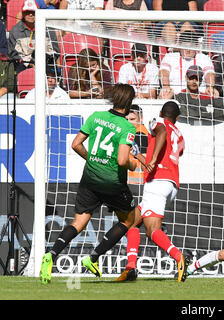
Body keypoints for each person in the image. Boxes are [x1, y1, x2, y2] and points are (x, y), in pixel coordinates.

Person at [39, 83, 138, 284]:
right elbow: (121, 160)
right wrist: (133, 162)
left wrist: (92, 159)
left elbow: (76, 144)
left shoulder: (95, 117)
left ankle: (51, 255)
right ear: (129, 102)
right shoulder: (128, 127)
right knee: (129, 220)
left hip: (90, 178)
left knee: (78, 222)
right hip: (112, 182)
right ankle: (92, 258)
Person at [115, 101, 188, 283]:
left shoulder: (158, 121)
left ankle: (179, 258)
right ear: (177, 118)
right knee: (131, 222)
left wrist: (153, 158)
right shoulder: (180, 136)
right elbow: (171, 154)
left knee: (152, 230)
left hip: (157, 182)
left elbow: (161, 132)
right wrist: (140, 156)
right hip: (171, 184)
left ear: (161, 112)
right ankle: (130, 267)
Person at [159, 30, 218, 97]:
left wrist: (210, 87)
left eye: (191, 47)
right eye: (185, 47)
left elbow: (209, 73)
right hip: (174, 96)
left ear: (196, 46)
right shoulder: (170, 56)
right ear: (180, 46)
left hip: (199, 97)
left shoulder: (203, 58)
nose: (188, 50)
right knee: (164, 95)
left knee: (214, 94)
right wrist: (166, 87)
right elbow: (164, 72)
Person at [8, 0, 59, 73]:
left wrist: (44, 60)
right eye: (27, 12)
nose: (31, 14)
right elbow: (13, 54)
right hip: (23, 67)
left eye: (33, 12)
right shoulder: (15, 30)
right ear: (23, 13)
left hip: (46, 65)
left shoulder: (48, 29)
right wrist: (29, 63)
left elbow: (55, 51)